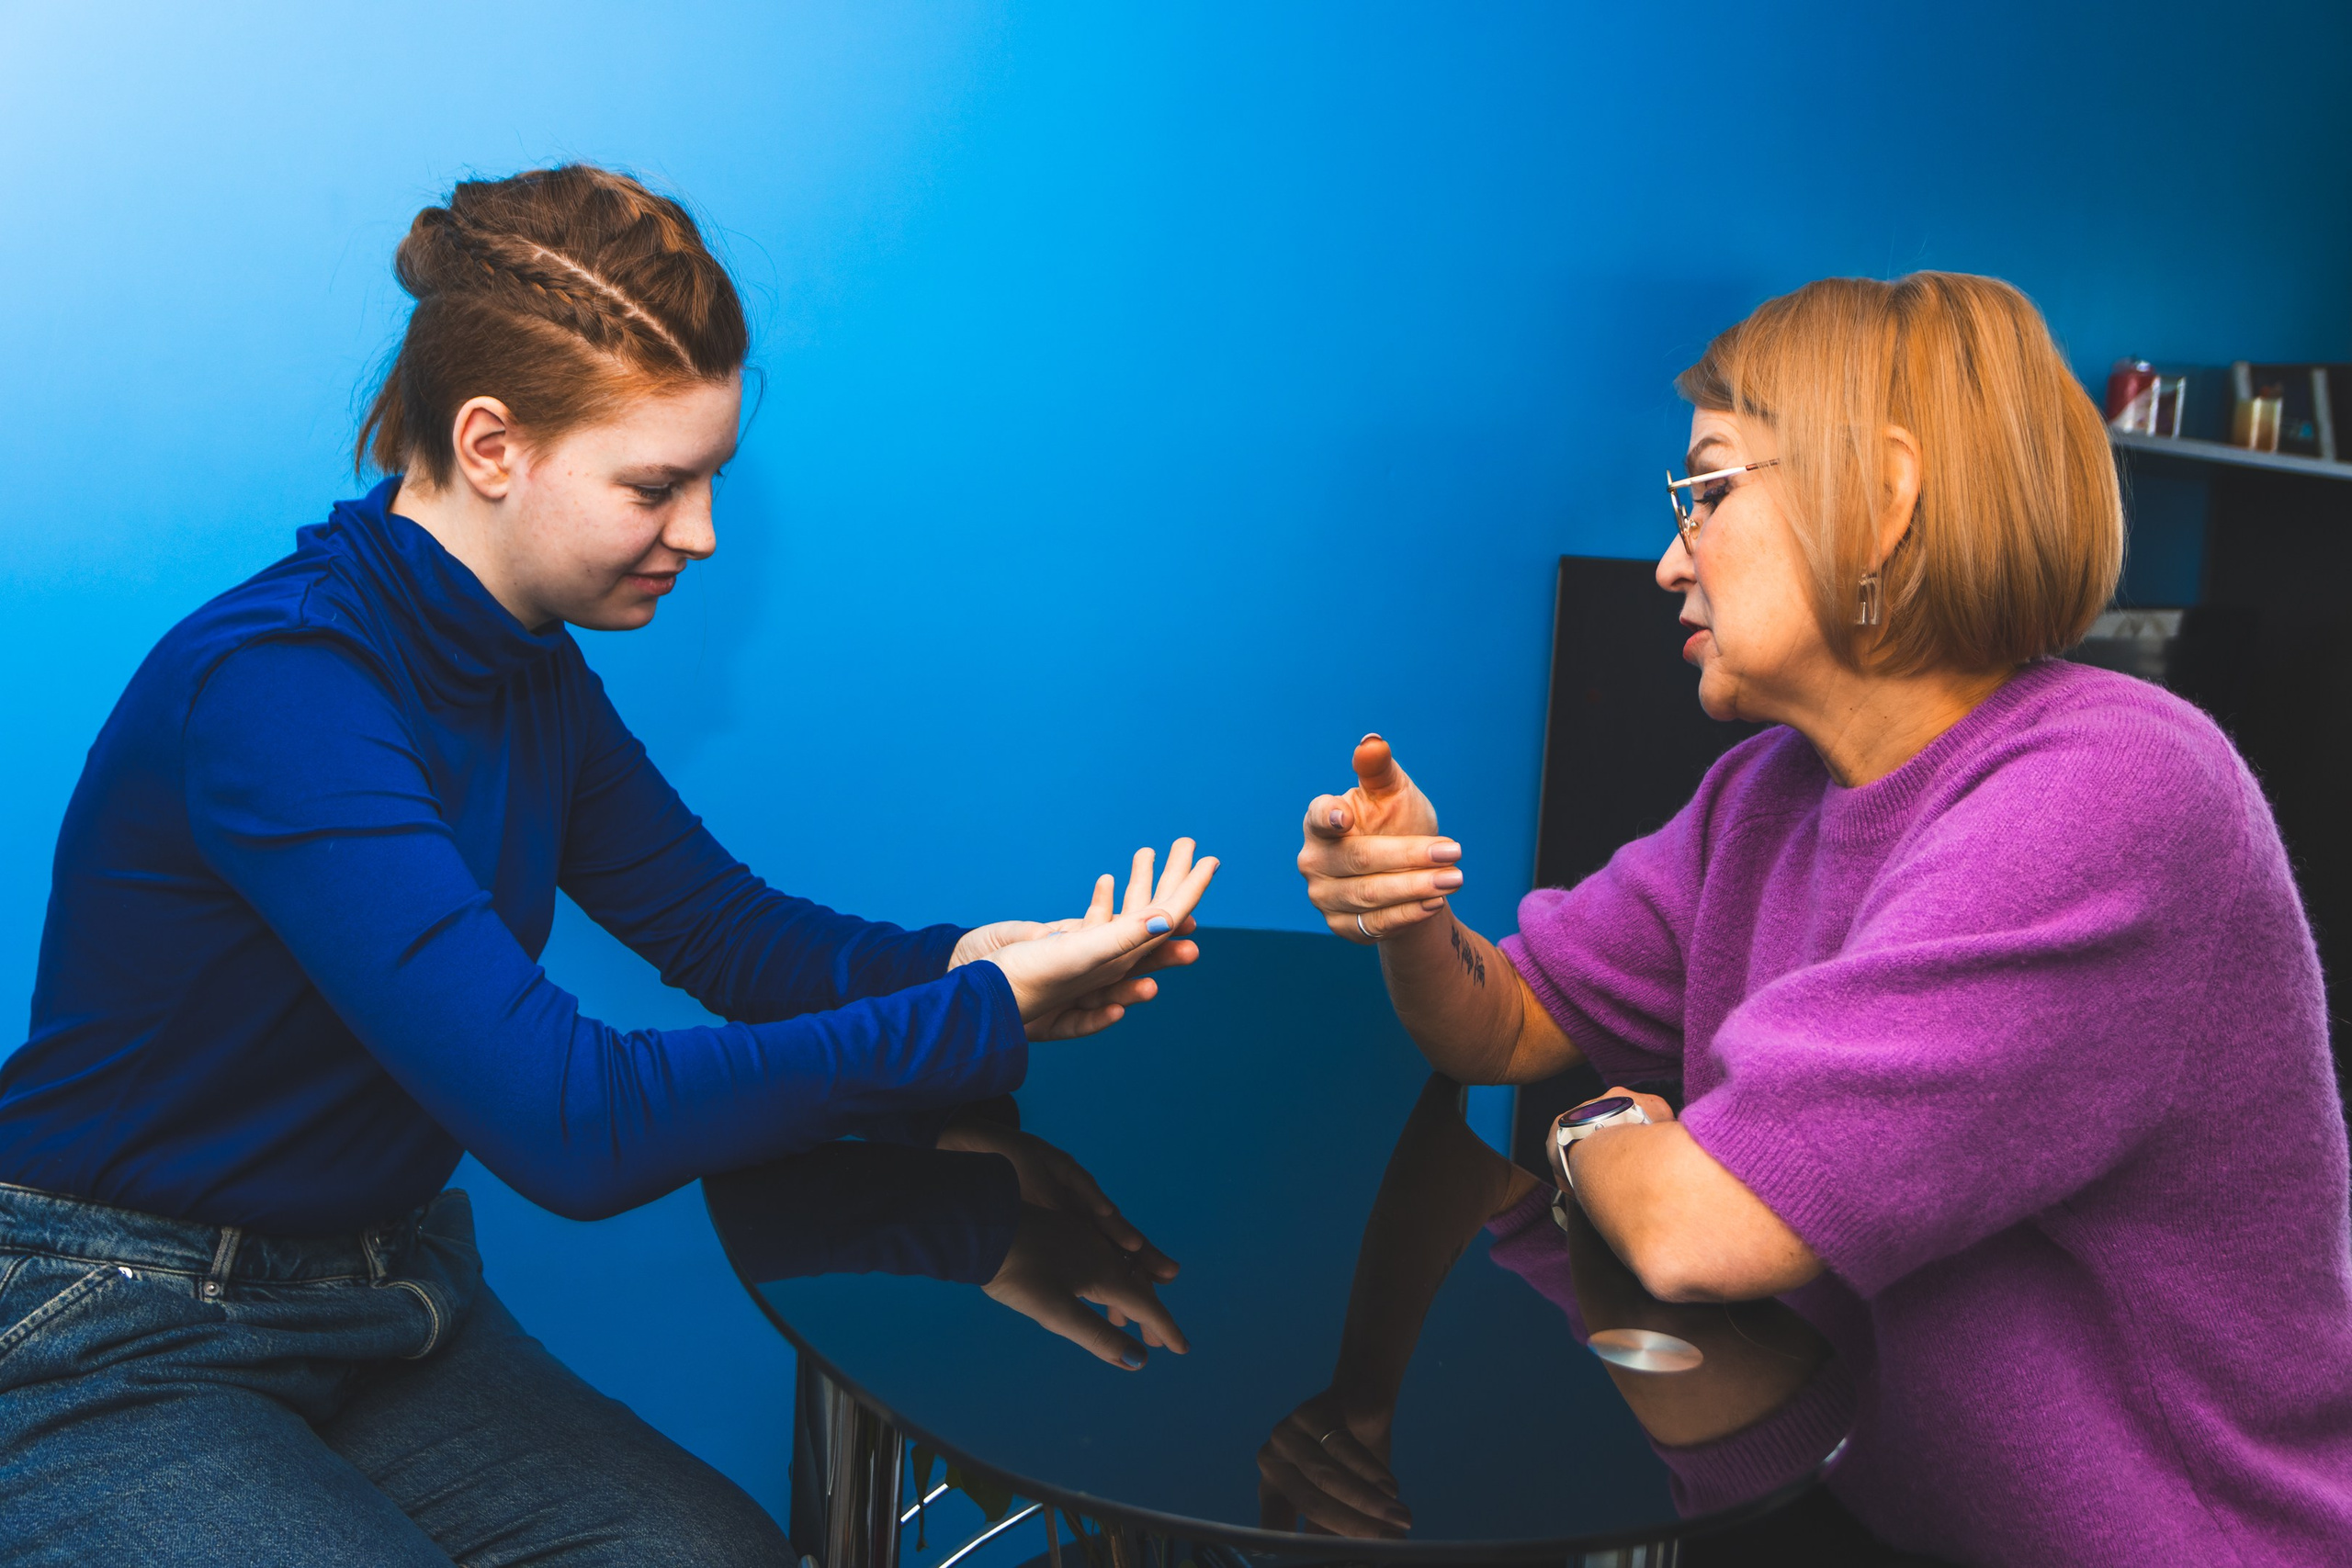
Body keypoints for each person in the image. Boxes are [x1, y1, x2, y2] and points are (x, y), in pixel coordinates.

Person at [0, 164, 1213, 1567]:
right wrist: (966, 1022)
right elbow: (573, 1122)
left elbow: (732, 939)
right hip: (111, 1326)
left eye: (711, 479)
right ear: (493, 443)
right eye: (658, 483)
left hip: (388, 1295)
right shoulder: (283, 695)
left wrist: (971, 967)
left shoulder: (526, 675)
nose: (699, 532)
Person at [1296, 273, 2352, 1565]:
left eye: (1712, 489)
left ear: (1888, 498)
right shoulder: (1767, 791)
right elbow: (1504, 1024)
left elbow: (1700, 1230)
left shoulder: (2115, 792)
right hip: (1868, 1506)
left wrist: (1592, 1132)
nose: (1670, 558)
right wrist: (1413, 913)